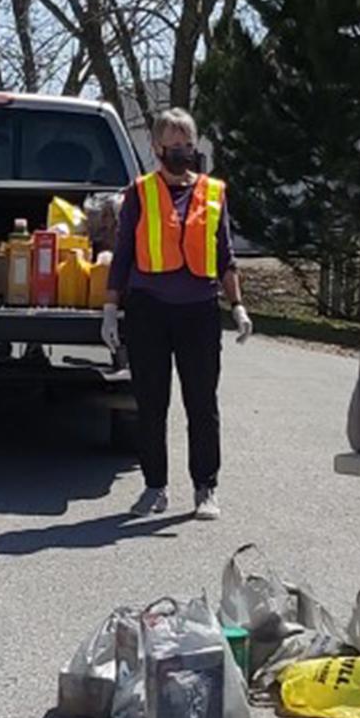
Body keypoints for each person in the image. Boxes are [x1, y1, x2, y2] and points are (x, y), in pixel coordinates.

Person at [102, 108, 252, 520]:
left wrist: (237, 306)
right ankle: (155, 487)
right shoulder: (139, 193)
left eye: (189, 145)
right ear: (156, 148)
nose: (184, 154)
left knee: (202, 403)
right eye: (175, 146)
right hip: (148, 309)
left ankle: (206, 487)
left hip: (199, 310)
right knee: (151, 402)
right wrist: (111, 309)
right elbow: (123, 256)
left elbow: (225, 255)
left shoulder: (213, 192)